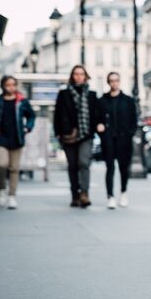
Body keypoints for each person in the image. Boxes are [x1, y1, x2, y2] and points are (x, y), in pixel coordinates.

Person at [54, 65, 105, 208]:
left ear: (85, 76)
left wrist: (99, 124)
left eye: (81, 74)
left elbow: (97, 114)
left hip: (86, 134)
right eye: (76, 74)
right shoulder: (64, 94)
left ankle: (84, 193)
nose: (78, 76)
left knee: (84, 162)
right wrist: (58, 132)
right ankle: (74, 195)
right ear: (72, 76)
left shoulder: (92, 95)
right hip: (68, 134)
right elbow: (57, 114)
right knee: (72, 166)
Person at [0, 75, 36, 209]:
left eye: (13, 84)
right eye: (8, 85)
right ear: (3, 86)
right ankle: (1, 189)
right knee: (1, 164)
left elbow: (31, 115)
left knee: (14, 169)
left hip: (17, 138)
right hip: (0, 138)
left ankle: (12, 196)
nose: (11, 87)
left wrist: (28, 127)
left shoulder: (22, 102)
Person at [99, 72, 137, 209]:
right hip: (108, 139)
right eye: (111, 81)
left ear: (119, 81)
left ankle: (123, 192)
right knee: (110, 168)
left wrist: (129, 134)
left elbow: (134, 120)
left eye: (116, 80)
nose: (114, 83)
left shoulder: (128, 100)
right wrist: (100, 127)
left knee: (123, 168)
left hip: (123, 139)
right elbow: (98, 119)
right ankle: (110, 196)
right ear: (108, 82)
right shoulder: (102, 101)